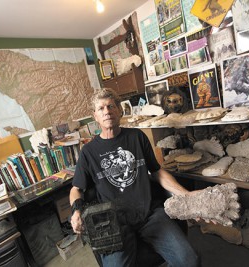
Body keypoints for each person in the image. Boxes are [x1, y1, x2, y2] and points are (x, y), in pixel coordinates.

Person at [69, 87, 199, 267]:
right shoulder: (88, 152)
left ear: (119, 111)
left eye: (111, 106)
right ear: (95, 116)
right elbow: (76, 189)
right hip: (114, 223)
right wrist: (76, 210)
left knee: (190, 261)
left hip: (150, 215)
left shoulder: (137, 137)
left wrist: (185, 194)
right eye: (101, 108)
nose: (107, 111)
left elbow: (157, 171)